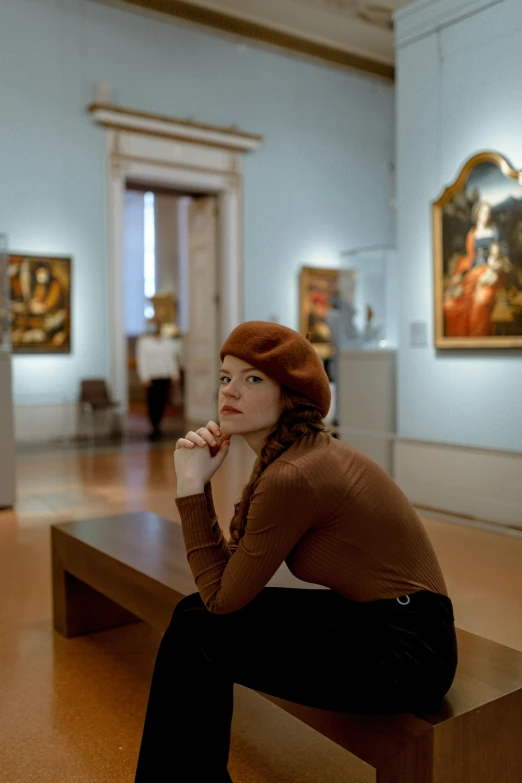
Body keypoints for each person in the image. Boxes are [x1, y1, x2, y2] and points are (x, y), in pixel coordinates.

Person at [134, 321, 457, 783]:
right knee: (191, 618)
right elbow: (223, 588)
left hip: (410, 652)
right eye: (226, 378)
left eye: (253, 379)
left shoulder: (295, 474)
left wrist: (191, 487)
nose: (230, 392)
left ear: (291, 395)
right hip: (382, 621)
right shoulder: (292, 456)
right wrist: (197, 487)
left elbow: (223, 599)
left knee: (200, 631)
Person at [444, 200, 500, 336]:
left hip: (490, 270)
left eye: (488, 213)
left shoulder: (494, 231)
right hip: (474, 270)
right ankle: (461, 336)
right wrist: (460, 272)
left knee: (478, 302)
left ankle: (476, 336)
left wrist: (492, 269)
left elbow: (498, 254)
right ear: (478, 214)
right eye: (483, 212)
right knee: (452, 304)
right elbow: (470, 257)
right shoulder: (473, 233)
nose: (486, 215)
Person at [136, 319, 180, 440]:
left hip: (164, 376)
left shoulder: (168, 342)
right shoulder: (144, 342)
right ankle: (154, 425)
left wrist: (174, 373)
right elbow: (142, 360)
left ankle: (159, 424)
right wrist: (144, 376)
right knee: (152, 403)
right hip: (152, 378)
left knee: (162, 402)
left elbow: (171, 359)